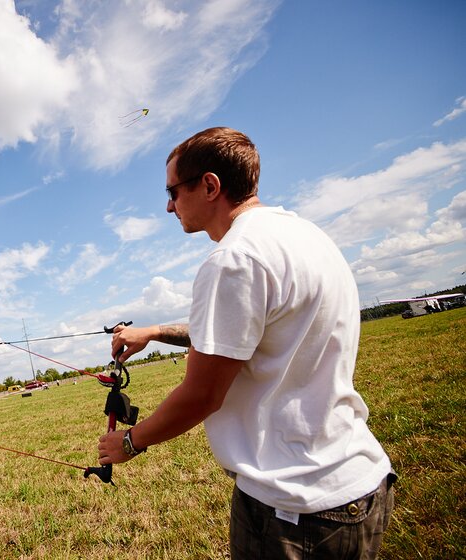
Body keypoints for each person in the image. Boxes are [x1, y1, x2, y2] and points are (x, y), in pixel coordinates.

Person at [97, 127, 395, 559]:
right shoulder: (302, 235)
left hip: (294, 512)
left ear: (210, 185)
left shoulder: (233, 259)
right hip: (356, 484)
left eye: (173, 192)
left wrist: (129, 442)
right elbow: (246, 335)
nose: (168, 205)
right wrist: (156, 331)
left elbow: (202, 396)